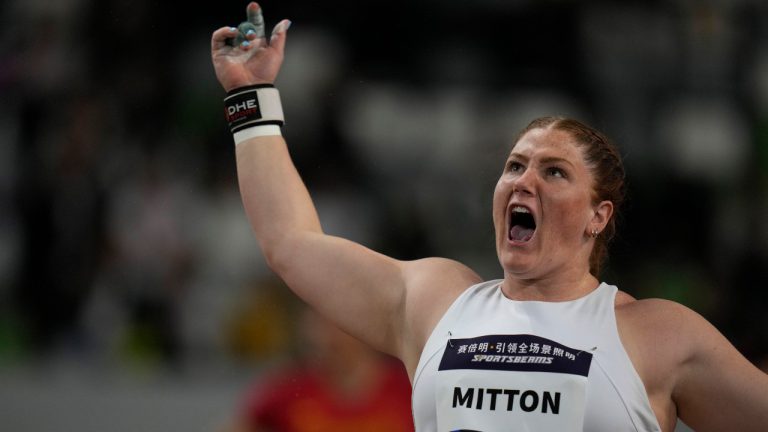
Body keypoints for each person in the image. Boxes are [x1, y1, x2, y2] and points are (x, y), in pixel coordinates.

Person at [210, 3, 768, 431]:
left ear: (598, 216)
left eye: (553, 172)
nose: (524, 180)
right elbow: (289, 241)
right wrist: (251, 94)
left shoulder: (658, 335)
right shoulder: (434, 301)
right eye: (515, 165)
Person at [226, 308, 415, 432]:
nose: (327, 338)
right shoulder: (287, 390)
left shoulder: (407, 388)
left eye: (337, 325)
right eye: (319, 323)